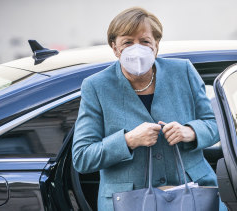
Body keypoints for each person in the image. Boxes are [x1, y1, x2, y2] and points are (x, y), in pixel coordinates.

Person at [72, 7, 220, 210]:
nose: (137, 48)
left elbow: (214, 125)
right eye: (127, 42)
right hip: (128, 202)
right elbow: (82, 157)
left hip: (194, 197)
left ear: (156, 45)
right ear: (114, 48)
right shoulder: (96, 86)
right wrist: (128, 140)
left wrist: (190, 131)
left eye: (144, 41)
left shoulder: (183, 71)